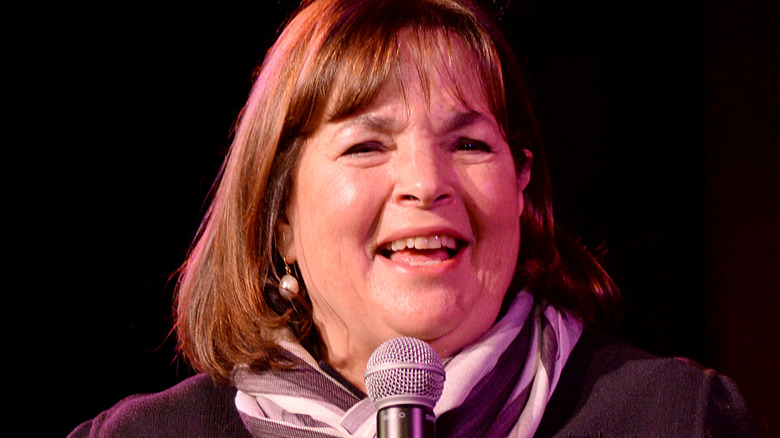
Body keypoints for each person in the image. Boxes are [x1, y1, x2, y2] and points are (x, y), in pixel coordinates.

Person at [69, 0, 763, 436]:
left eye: (468, 144)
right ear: (277, 211)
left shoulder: (674, 419)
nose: (427, 184)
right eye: (367, 145)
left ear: (520, 184)